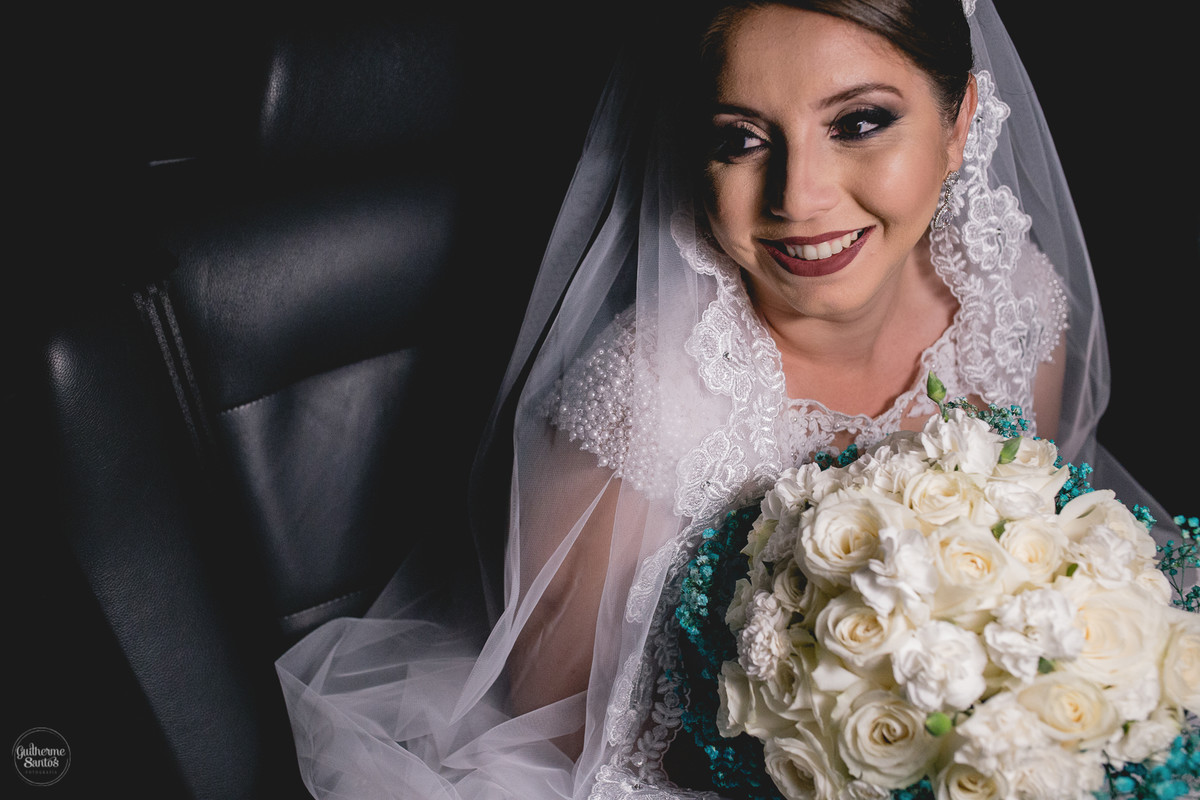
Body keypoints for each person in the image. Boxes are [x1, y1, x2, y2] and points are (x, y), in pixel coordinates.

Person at [276, 1, 1183, 797]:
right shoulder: (648, 409)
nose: (800, 196)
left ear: (960, 123)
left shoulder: (1008, 303)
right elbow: (563, 743)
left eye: (859, 122)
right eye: (741, 139)